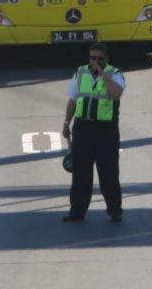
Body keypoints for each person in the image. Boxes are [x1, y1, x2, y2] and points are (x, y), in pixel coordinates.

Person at [60, 42, 126, 222]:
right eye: (92, 58)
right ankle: (77, 211)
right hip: (83, 129)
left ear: (107, 59)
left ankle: (115, 210)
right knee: (80, 173)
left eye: (99, 58)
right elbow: (73, 100)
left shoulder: (115, 74)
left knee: (109, 173)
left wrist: (103, 74)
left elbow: (116, 94)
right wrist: (67, 122)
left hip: (106, 131)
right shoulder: (80, 73)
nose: (95, 61)